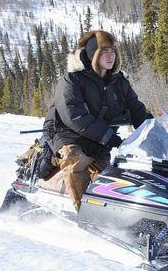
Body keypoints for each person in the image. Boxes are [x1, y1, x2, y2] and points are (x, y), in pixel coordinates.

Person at [38, 30, 151, 211]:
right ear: (93, 54)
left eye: (113, 51)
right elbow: (74, 116)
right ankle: (84, 212)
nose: (111, 55)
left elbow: (136, 109)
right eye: (105, 51)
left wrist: (153, 128)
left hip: (98, 138)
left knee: (107, 177)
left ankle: (117, 214)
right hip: (66, 133)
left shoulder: (119, 82)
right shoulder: (73, 79)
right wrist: (107, 136)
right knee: (75, 158)